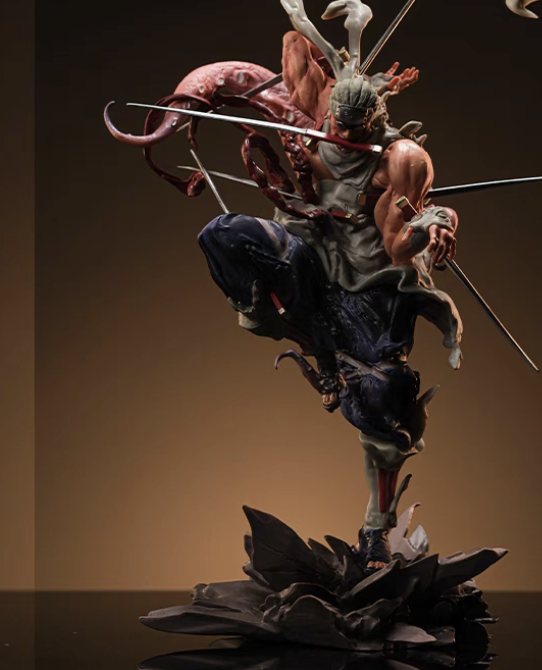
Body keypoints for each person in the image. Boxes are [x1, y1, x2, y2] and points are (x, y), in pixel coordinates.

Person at [197, 32, 463, 570]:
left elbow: (396, 243)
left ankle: (375, 531)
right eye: (335, 126)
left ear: (374, 122)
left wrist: (435, 222)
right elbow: (293, 42)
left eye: (353, 130)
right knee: (221, 234)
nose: (340, 137)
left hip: (366, 282)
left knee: (385, 400)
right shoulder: (316, 112)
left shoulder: (401, 160)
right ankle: (290, 329)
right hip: (307, 252)